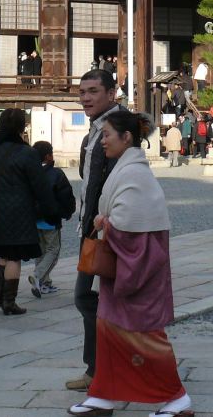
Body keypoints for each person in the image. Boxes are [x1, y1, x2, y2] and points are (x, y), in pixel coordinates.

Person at [69, 109, 193, 417]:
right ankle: (103, 394)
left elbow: (131, 225)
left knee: (146, 337)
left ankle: (176, 399)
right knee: (110, 333)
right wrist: (107, 221)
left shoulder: (134, 173)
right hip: (125, 269)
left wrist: (105, 223)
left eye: (108, 135)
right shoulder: (128, 168)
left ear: (127, 138)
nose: (102, 142)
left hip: (139, 270)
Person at [68, 69, 129, 392]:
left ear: (111, 93)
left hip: (107, 229)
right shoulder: (95, 130)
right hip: (90, 226)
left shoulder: (118, 127)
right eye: (82, 92)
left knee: (87, 297)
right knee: (95, 299)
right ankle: (99, 369)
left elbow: (123, 180)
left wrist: (108, 222)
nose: (86, 98)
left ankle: (104, 369)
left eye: (93, 91)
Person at [0, 107, 58, 316]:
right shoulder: (27, 153)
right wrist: (51, 211)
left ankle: (1, 292)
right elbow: (41, 187)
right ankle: (8, 301)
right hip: (20, 212)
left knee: (3, 253)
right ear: (21, 127)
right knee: (14, 257)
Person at [30, 139, 77, 298]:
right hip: (50, 219)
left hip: (34, 219)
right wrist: (68, 211)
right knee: (53, 251)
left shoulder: (29, 172)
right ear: (48, 156)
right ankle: (38, 275)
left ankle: (44, 283)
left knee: (41, 252)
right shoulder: (56, 173)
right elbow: (66, 195)